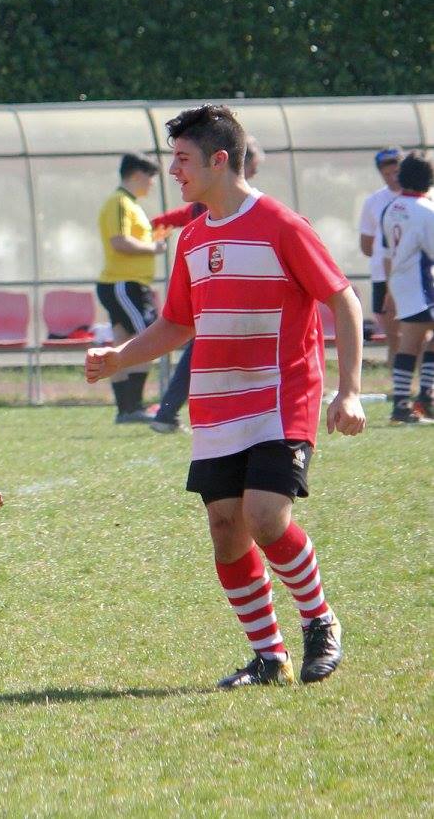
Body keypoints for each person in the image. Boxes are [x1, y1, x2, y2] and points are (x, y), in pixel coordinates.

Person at [87, 105, 361, 689]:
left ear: (219, 159)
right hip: (216, 406)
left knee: (266, 517)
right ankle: (269, 656)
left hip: (280, 398)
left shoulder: (282, 224)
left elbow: (344, 301)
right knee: (225, 527)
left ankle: (320, 620)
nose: (173, 171)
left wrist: (350, 391)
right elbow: (176, 324)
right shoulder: (190, 238)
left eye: (182, 160)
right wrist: (119, 357)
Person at [149, 139, 262, 434]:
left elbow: (166, 220)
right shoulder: (209, 205)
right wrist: (151, 237)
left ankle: (169, 412)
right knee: (198, 349)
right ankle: (167, 412)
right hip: (212, 293)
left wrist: (155, 229)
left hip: (219, 294)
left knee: (203, 350)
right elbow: (167, 221)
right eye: (252, 165)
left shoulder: (242, 207)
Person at [95, 153, 166, 423]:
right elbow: (119, 242)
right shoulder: (120, 202)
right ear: (137, 175)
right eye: (150, 177)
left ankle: (127, 409)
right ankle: (133, 406)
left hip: (126, 284)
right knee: (147, 339)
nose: (151, 184)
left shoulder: (131, 204)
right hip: (123, 284)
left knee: (123, 344)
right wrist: (154, 247)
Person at [376, 152, 434, 425]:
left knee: (413, 340)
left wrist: (389, 288)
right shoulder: (426, 210)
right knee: (412, 342)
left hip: (401, 281)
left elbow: (387, 252)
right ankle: (410, 403)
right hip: (421, 283)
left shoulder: (391, 207)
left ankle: (418, 400)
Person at [359, 147, 404, 354]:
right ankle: (395, 368)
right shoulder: (373, 202)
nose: (393, 178)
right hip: (382, 274)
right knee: (390, 328)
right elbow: (366, 245)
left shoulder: (420, 197)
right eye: (387, 174)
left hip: (411, 271)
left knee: (417, 326)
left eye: (397, 172)